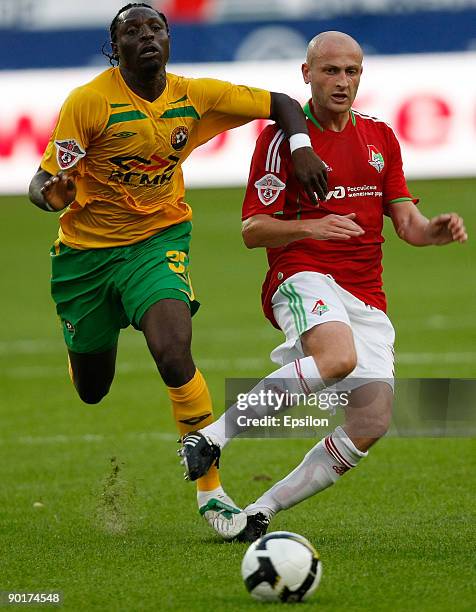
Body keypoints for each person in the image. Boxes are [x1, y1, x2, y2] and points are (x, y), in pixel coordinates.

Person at [27, 3, 329, 539]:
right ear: (113, 48)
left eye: (154, 28)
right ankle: (84, 350)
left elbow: (282, 102)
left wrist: (302, 148)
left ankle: (210, 492)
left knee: (173, 351)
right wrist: (54, 194)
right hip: (87, 258)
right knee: (92, 389)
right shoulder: (90, 103)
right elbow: (45, 180)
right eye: (130, 32)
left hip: (158, 243)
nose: (145, 37)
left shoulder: (197, 96)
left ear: (168, 41)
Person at [178, 31, 468, 541]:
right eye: (330, 70)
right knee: (338, 358)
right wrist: (311, 227)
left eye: (351, 71)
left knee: (372, 420)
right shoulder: (280, 143)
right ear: (306, 74)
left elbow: (408, 225)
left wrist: (433, 232)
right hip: (301, 270)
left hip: (365, 294)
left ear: (361, 77)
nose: (342, 81)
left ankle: (263, 510)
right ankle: (210, 438)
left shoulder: (380, 137)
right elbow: (251, 230)